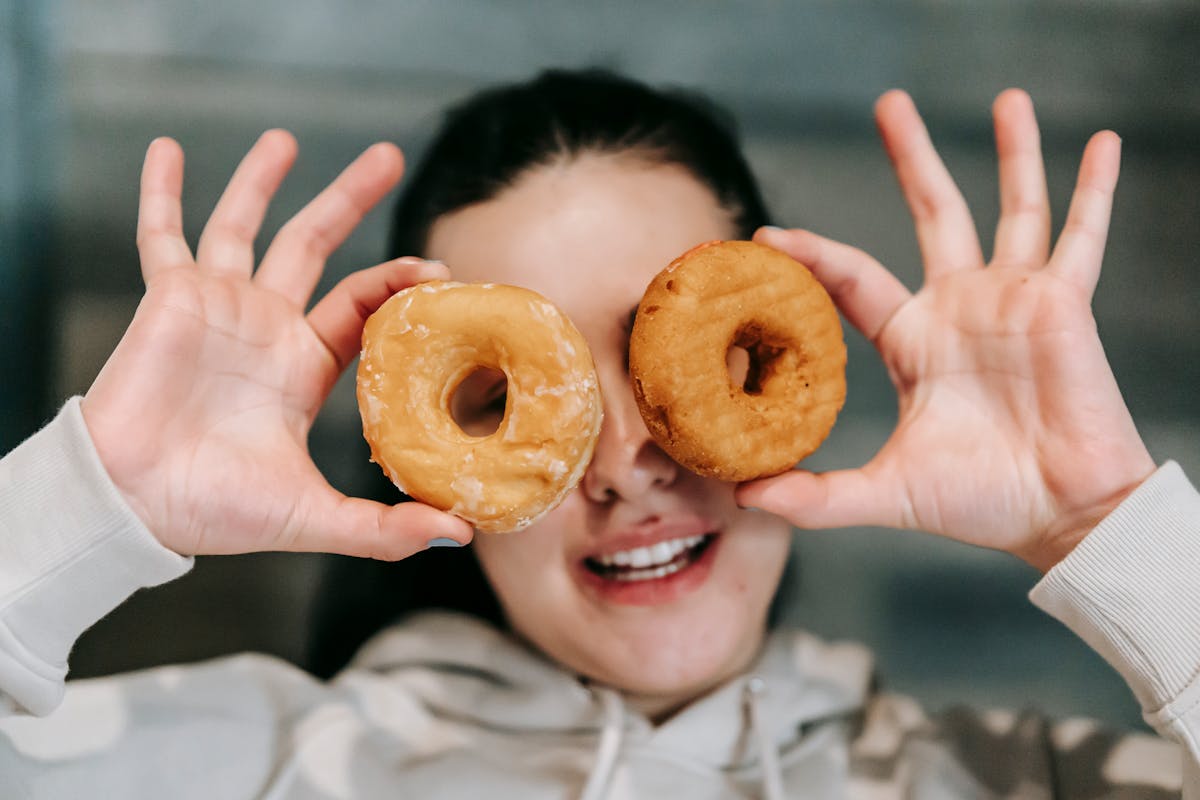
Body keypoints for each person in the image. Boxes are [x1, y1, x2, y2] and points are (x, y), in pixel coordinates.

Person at [0, 69, 1196, 798]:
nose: (627, 460)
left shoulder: (1027, 784)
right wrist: (87, 505)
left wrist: (1108, 527)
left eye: (674, 367)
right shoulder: (231, 764)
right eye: (508, 401)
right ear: (422, 454)